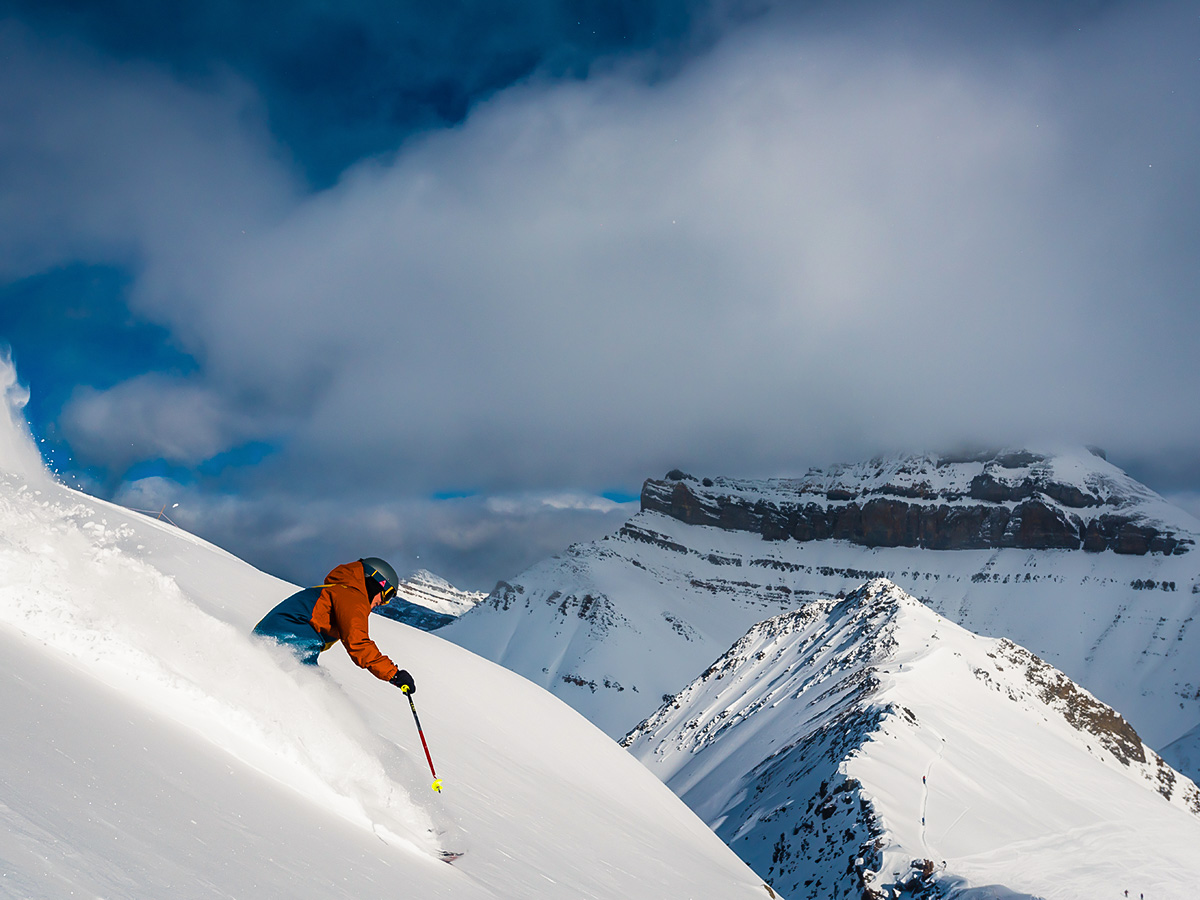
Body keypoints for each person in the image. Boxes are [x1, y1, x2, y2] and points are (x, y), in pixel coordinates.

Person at [252, 557, 416, 693]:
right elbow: (358, 642)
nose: (382, 603)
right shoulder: (353, 596)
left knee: (310, 685)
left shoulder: (340, 590)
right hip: (291, 635)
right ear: (377, 582)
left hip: (279, 634)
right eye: (386, 595)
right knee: (310, 691)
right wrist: (394, 674)